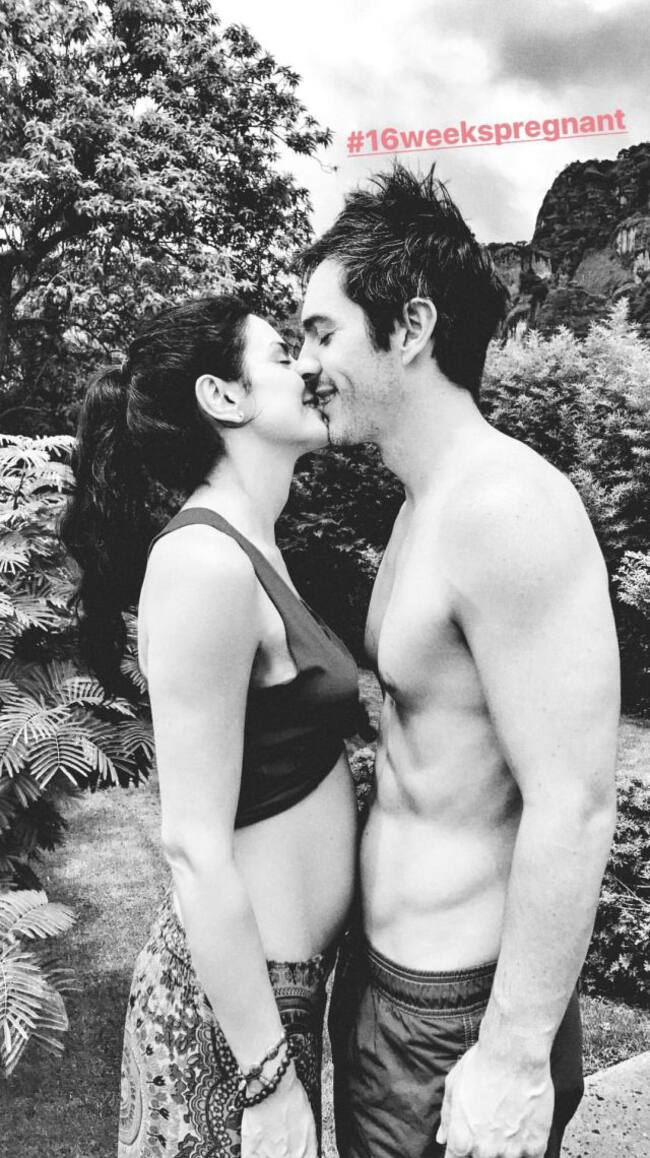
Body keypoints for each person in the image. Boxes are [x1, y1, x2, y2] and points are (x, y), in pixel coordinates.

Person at [296, 165, 620, 1158]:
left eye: (322, 333)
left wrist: (514, 1057)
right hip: (388, 982)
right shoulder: (421, 504)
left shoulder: (504, 507)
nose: (306, 365)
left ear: (409, 327)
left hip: (455, 1014)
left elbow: (573, 801)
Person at [60, 295, 363, 1158]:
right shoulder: (204, 562)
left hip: (269, 998)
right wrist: (266, 1077)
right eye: (282, 355)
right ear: (223, 397)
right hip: (229, 1017)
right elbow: (192, 845)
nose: (310, 367)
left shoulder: (253, 546)